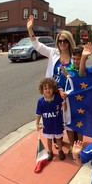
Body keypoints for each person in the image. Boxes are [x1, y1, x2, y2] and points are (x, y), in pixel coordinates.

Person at [27, 14, 76, 150]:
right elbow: (37, 45)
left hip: (67, 94)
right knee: (53, 118)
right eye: (60, 41)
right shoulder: (53, 53)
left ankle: (72, 146)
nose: (62, 43)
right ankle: (56, 139)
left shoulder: (74, 58)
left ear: (69, 41)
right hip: (53, 93)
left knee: (68, 121)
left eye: (65, 41)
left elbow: (80, 75)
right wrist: (30, 29)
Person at [58, 46, 84, 158]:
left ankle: (80, 146)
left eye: (79, 59)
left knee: (80, 126)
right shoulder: (67, 70)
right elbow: (60, 85)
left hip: (82, 104)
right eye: (75, 59)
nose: (77, 61)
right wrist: (61, 92)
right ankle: (72, 146)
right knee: (69, 125)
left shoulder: (85, 72)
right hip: (68, 103)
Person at [36, 78, 66, 161]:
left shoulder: (58, 98)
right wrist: (37, 123)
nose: (48, 90)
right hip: (47, 125)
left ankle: (60, 151)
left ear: (53, 89)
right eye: (45, 88)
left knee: (58, 139)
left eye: (49, 88)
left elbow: (64, 109)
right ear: (42, 90)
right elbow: (38, 114)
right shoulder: (41, 101)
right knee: (49, 139)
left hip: (57, 124)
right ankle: (50, 151)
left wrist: (64, 105)